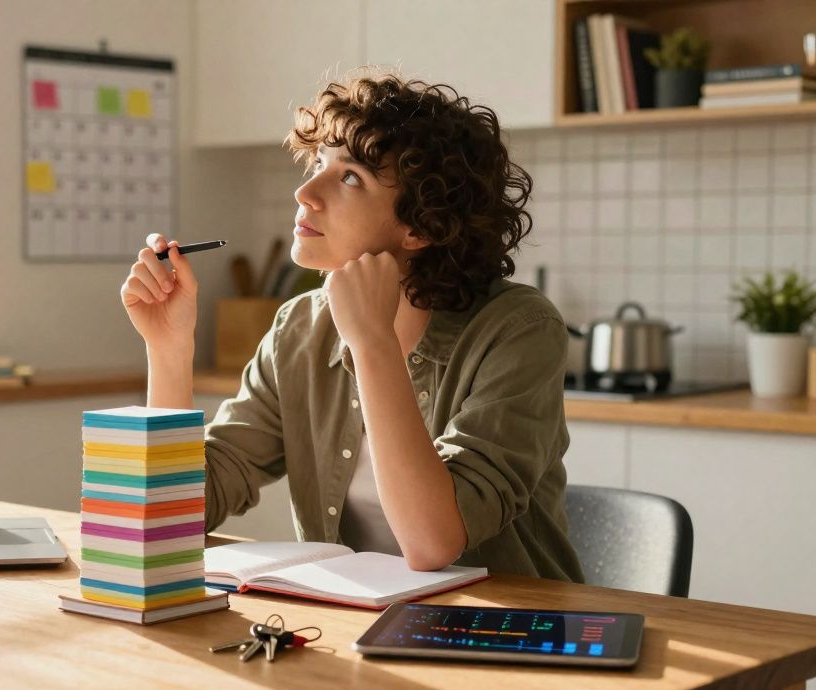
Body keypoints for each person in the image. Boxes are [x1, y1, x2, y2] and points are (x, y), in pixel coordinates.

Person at [118, 73, 583, 582]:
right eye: (319, 164)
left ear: (422, 226)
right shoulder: (300, 328)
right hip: (349, 620)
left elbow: (433, 543)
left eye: (350, 178)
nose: (304, 192)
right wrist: (169, 349)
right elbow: (176, 515)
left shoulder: (519, 329)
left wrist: (372, 342)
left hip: (501, 621)